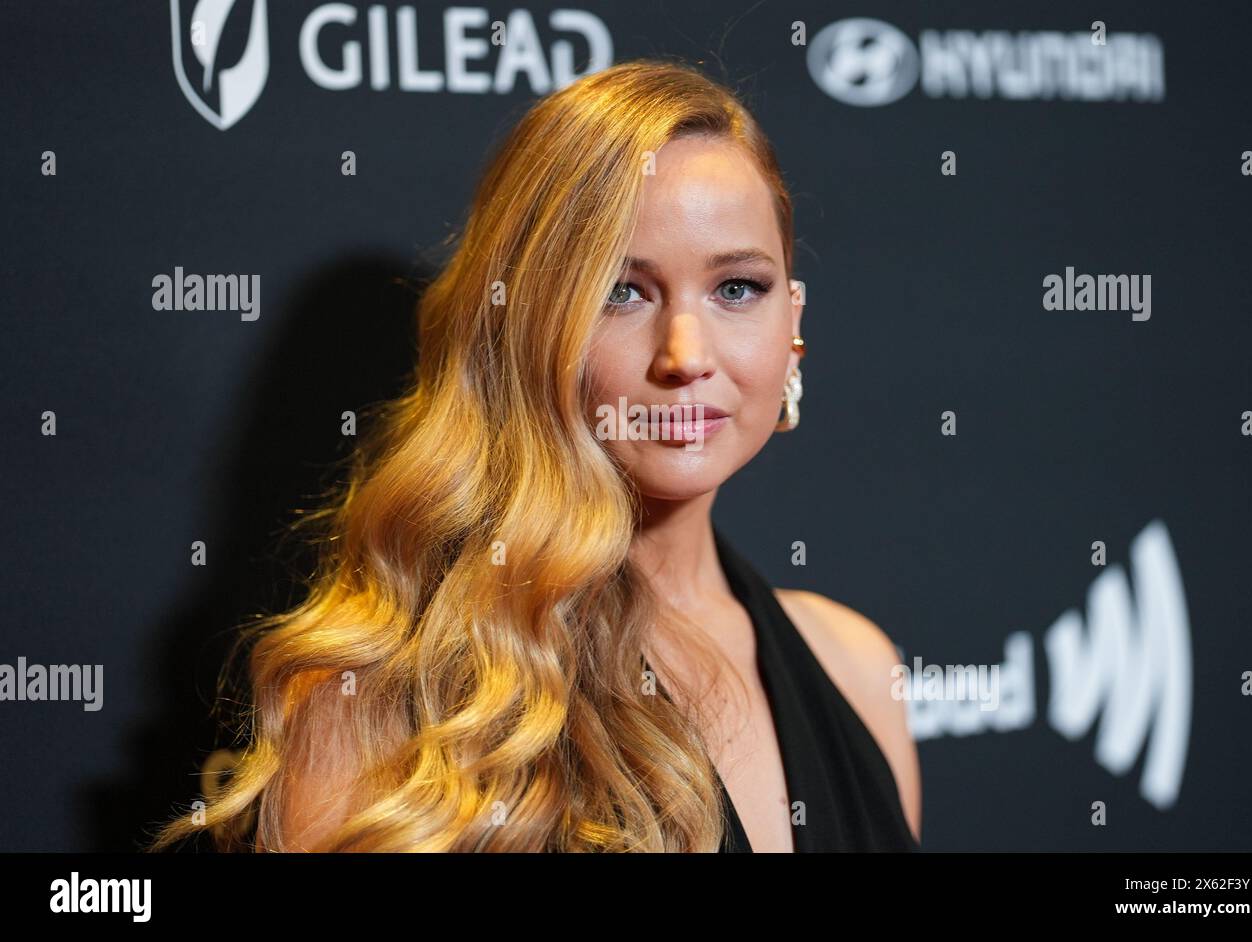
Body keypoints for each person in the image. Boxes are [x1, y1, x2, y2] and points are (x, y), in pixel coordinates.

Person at [147, 57, 921, 853]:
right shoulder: (391, 705)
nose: (686, 354)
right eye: (621, 292)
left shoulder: (856, 670)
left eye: (737, 289)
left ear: (793, 322)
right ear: (525, 326)